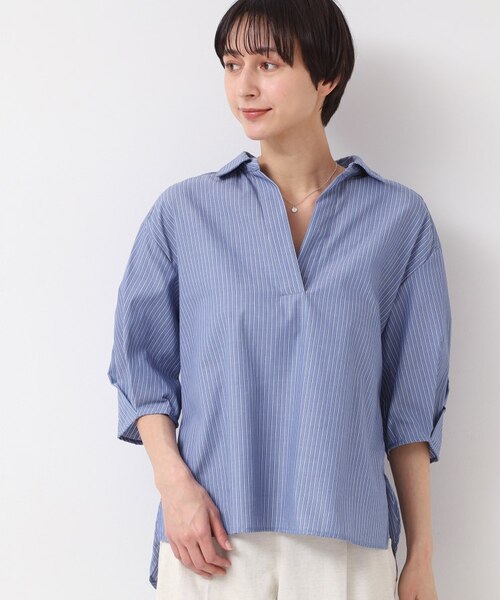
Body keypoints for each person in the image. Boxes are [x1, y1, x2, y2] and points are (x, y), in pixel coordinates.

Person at [107, 1, 452, 598]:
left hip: (346, 539)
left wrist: (420, 554)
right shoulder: (184, 213)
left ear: (327, 77)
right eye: (231, 64)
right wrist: (174, 488)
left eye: (267, 64)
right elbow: (140, 367)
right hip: (211, 537)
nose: (244, 86)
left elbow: (412, 404)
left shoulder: (399, 220)